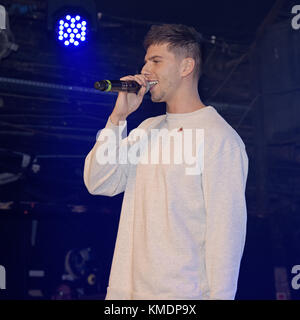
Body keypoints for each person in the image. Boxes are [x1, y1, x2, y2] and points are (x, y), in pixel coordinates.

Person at [84, 24, 248, 300]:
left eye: (156, 61)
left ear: (186, 66)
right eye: (146, 60)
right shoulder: (147, 129)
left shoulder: (220, 139)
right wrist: (117, 119)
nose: (145, 69)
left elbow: (226, 236)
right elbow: (98, 182)